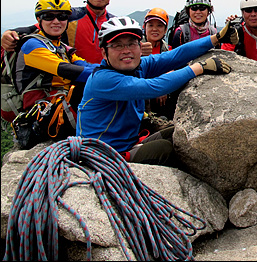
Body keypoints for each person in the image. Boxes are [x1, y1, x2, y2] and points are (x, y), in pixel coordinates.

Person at [76, 16, 238, 166]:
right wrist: (197, 68)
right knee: (164, 149)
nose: (126, 50)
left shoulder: (137, 66)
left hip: (127, 143)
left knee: (178, 133)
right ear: (104, 52)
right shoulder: (103, 79)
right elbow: (153, 87)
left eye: (132, 43)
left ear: (140, 47)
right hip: (102, 154)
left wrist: (215, 39)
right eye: (117, 45)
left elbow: (174, 56)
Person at [1, 0, 152, 61]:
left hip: (105, 81)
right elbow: (36, 28)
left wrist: (140, 49)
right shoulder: (68, 16)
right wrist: (10, 33)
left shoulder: (114, 23)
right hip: (72, 82)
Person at [12, 0, 99, 147]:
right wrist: (108, 74)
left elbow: (85, 65)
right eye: (48, 16)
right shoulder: (31, 45)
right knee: (94, 85)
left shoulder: (61, 47)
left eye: (62, 17)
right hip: (45, 116)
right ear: (39, 20)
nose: (56, 21)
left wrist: (113, 69)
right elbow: (65, 70)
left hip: (60, 108)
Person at [141, 7, 175, 119]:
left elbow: (170, 68)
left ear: (165, 30)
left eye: (159, 26)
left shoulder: (165, 49)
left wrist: (163, 86)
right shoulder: (135, 47)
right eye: (150, 25)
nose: (155, 29)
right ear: (144, 27)